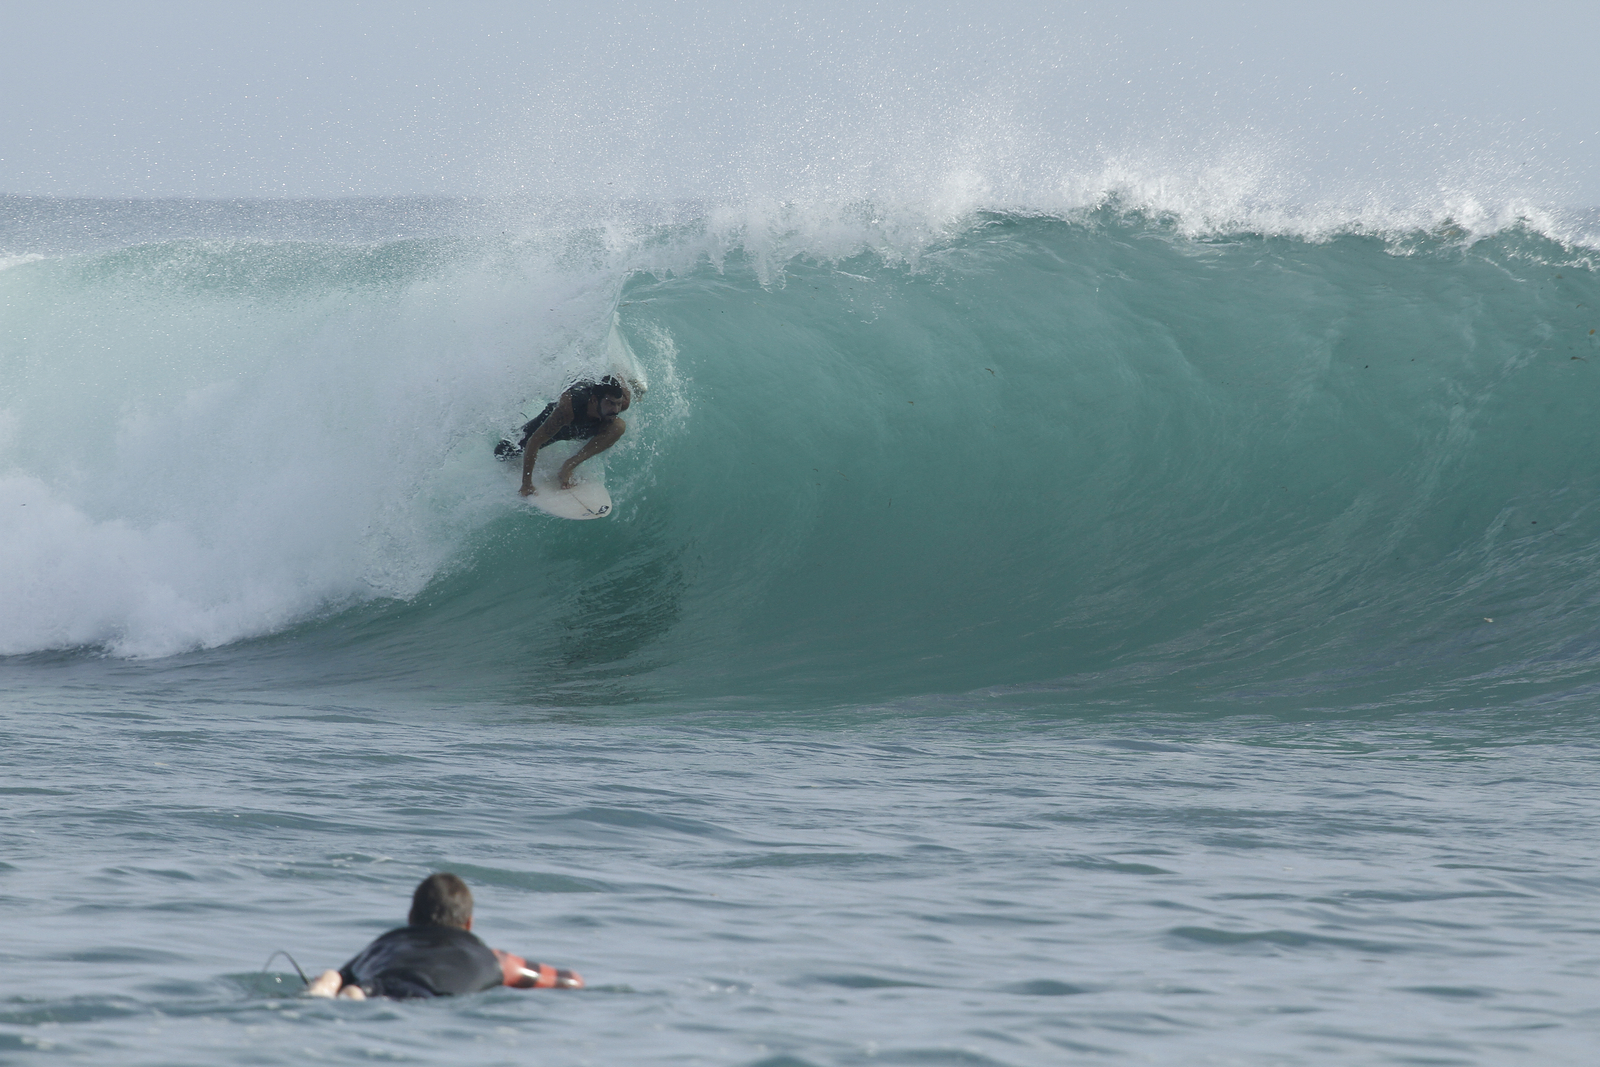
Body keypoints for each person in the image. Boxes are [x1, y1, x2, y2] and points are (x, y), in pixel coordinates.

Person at [306, 872, 583, 1000]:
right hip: (425, 996)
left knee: (345, 982)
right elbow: (570, 981)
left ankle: (331, 987)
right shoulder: (497, 960)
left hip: (376, 981)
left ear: (411, 917)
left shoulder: (385, 943)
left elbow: (347, 973)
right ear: (469, 923)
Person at [495, 376, 631, 497]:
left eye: (618, 404)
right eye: (611, 404)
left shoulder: (620, 404)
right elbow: (534, 442)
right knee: (503, 452)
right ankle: (513, 428)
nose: (616, 410)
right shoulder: (568, 408)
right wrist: (526, 483)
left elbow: (622, 387)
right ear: (595, 400)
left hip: (585, 428)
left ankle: (568, 465)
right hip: (560, 428)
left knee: (618, 427)